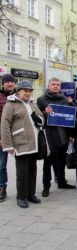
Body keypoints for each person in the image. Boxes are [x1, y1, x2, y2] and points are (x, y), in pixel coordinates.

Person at [1, 80, 45, 208]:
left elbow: (41, 117)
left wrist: (39, 119)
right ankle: (21, 197)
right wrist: (8, 145)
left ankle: (31, 194)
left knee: (32, 170)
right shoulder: (10, 105)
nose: (28, 93)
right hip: (20, 143)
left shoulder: (32, 103)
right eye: (25, 90)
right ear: (18, 91)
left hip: (33, 143)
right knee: (22, 173)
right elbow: (4, 126)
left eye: (30, 91)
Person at [37, 78, 75, 197]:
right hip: (49, 133)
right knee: (48, 161)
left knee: (61, 160)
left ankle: (61, 181)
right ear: (48, 86)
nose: (55, 86)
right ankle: (46, 185)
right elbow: (36, 117)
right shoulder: (41, 99)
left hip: (62, 133)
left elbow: (68, 117)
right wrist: (44, 113)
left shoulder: (64, 99)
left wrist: (70, 135)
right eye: (53, 84)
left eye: (57, 85)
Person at [0, 74, 16, 202]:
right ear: (3, 83)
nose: (10, 84)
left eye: (12, 82)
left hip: (18, 136)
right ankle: (2, 188)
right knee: (1, 165)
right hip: (3, 136)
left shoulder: (19, 96)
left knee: (22, 164)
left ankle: (24, 188)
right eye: (7, 82)